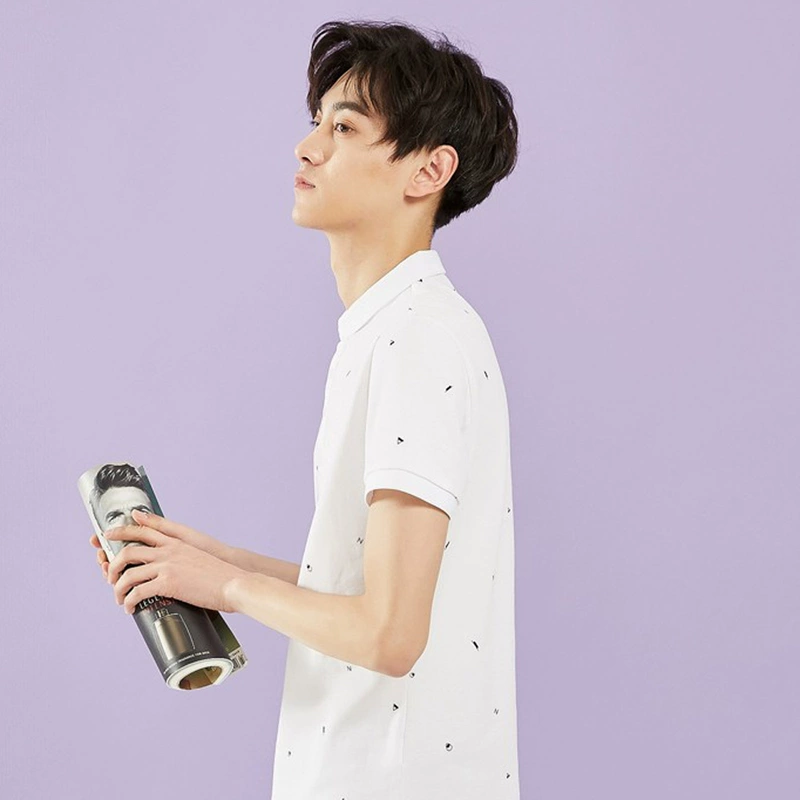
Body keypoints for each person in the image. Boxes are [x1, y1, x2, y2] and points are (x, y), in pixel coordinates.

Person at [91, 18, 520, 799]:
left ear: (429, 170)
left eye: (344, 127)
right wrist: (213, 562)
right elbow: (368, 590)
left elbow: (390, 635)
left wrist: (226, 589)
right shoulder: (393, 331)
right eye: (317, 121)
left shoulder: (418, 340)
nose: (307, 146)